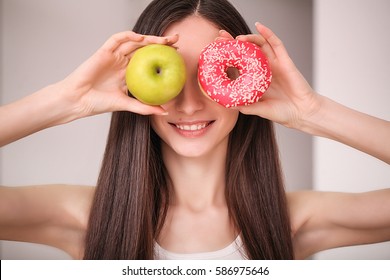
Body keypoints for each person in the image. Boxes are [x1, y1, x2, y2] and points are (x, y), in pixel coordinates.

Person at [0, 0, 389, 260]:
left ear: (239, 80)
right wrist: (66, 100)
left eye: (208, 76)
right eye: (172, 77)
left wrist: (313, 112)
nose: (188, 104)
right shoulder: (87, 217)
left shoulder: (294, 222)